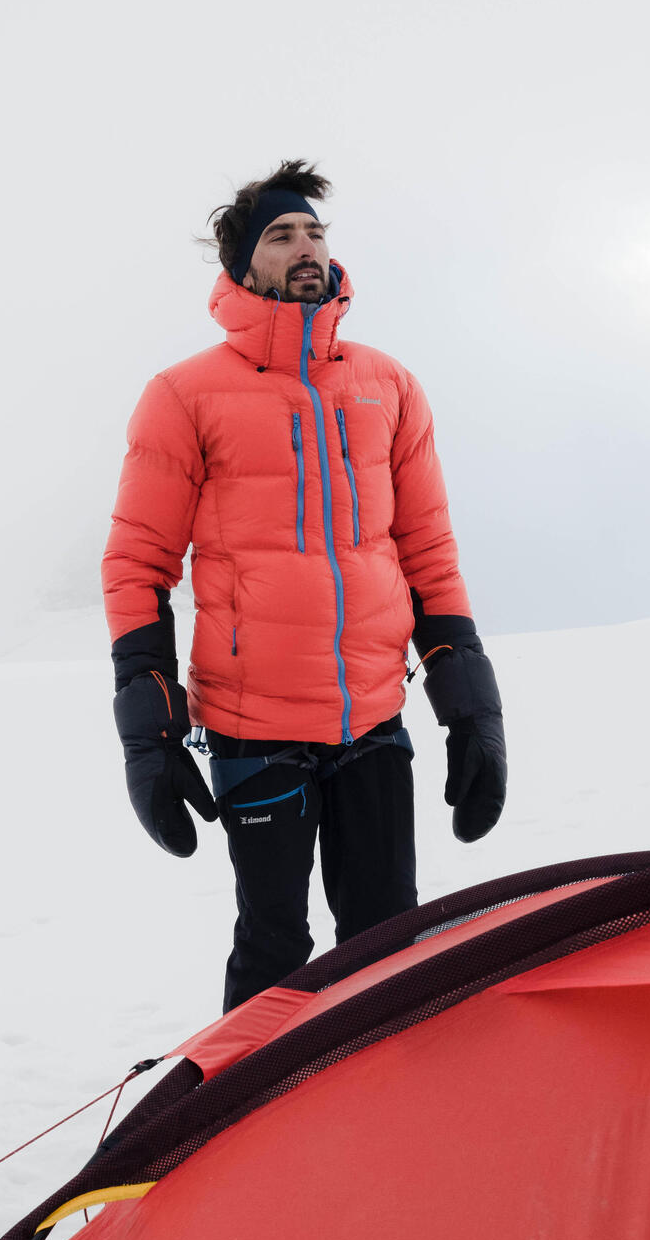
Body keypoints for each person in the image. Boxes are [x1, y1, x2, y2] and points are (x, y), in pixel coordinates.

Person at [101, 160, 509, 1011]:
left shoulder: (387, 384)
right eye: (281, 235)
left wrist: (471, 705)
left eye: (316, 232)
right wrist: (149, 732)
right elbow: (138, 565)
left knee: (386, 934)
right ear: (242, 266)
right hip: (255, 729)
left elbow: (427, 546)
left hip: (371, 715)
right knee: (275, 943)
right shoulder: (183, 395)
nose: (306, 247)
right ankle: (246, 1119)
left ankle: (386, 1109)